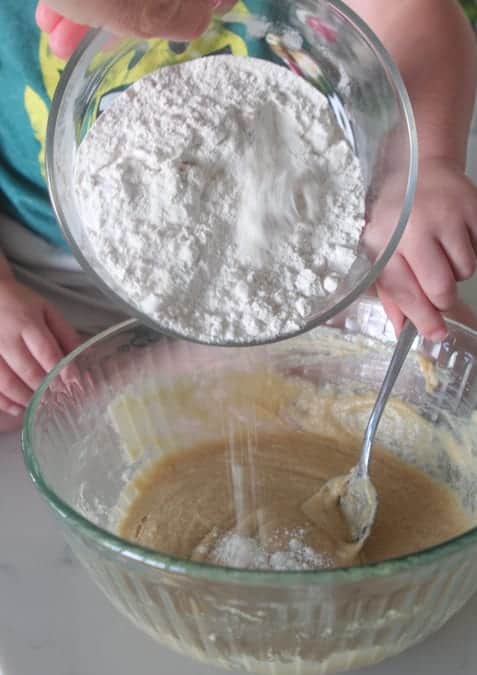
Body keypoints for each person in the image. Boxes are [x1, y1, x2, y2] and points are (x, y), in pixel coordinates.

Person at [0, 0, 476, 432]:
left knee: (435, 349)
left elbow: (414, 12)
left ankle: (120, 385)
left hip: (303, 271)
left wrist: (421, 167)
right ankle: (117, 382)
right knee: (15, 396)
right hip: (53, 283)